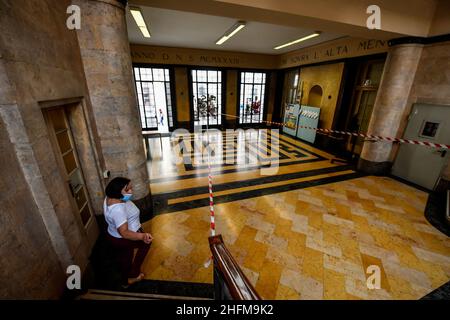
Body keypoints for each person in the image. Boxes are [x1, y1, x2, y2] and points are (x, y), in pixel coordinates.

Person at [103, 177, 152, 287]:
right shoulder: (117, 210)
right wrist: (142, 236)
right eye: (127, 190)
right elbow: (124, 232)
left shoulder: (109, 197)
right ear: (117, 192)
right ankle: (132, 276)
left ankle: (126, 278)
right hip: (122, 238)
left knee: (126, 256)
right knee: (145, 244)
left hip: (113, 234)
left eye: (130, 188)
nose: (131, 191)